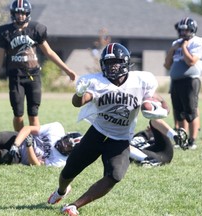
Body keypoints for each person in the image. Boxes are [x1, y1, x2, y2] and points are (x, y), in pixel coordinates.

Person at [47, 43, 168, 215]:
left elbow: (160, 102)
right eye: (108, 63)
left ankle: (74, 205)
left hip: (121, 138)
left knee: (115, 175)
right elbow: (78, 102)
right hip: (97, 133)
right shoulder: (97, 82)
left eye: (116, 62)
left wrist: (160, 111)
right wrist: (79, 94)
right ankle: (61, 191)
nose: (112, 67)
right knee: (69, 170)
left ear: (125, 62)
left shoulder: (141, 81)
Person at [0, 0, 77, 132]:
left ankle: (36, 144)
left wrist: (67, 70)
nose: (20, 15)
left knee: (33, 114)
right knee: (18, 114)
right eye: (17, 13)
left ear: (28, 13)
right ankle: (19, 142)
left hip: (33, 75)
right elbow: (0, 57)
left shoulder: (36, 29)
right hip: (16, 77)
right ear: (12, 14)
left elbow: (49, 52)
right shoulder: (4, 32)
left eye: (23, 13)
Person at [164, 17, 202, 150]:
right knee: (179, 112)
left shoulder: (199, 42)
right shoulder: (176, 43)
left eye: (186, 30)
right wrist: (173, 49)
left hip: (190, 81)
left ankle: (192, 140)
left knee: (191, 111)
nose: (183, 33)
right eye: (181, 30)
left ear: (192, 29)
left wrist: (183, 47)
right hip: (176, 81)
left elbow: (191, 62)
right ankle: (182, 140)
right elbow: (167, 65)